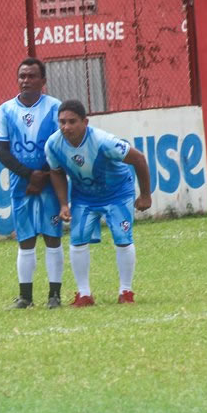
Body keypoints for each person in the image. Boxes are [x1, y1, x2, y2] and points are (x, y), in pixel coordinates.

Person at [45, 100, 152, 306]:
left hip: (117, 193)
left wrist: (145, 195)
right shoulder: (53, 144)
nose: (66, 127)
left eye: (72, 122)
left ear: (85, 122)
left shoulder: (103, 141)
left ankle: (126, 292)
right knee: (77, 240)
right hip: (84, 196)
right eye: (62, 122)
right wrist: (64, 204)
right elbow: (56, 172)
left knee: (122, 238)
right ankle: (84, 294)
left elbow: (138, 158)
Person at [0, 57, 64, 309]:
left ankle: (54, 296)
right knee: (25, 239)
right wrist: (28, 175)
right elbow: (2, 152)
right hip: (20, 184)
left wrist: (41, 175)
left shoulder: (55, 108)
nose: (26, 80)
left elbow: (61, 146)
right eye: (22, 76)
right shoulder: (5, 110)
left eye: (32, 76)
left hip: (51, 181)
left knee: (52, 236)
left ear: (43, 80)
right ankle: (25, 297)